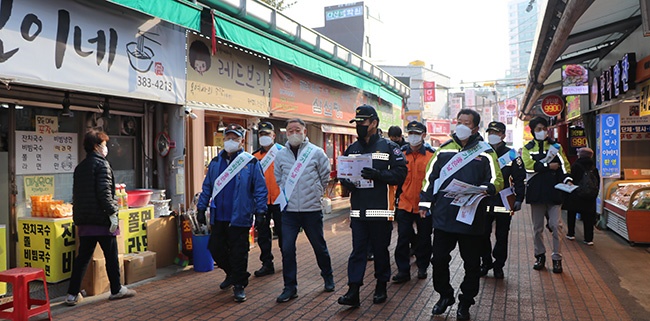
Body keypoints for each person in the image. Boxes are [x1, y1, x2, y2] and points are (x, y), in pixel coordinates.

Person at [419, 109, 503, 321]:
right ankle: (445, 295)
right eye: (459, 121)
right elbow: (430, 178)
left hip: (471, 216)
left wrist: (487, 188)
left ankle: (466, 301)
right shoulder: (444, 150)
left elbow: (497, 180)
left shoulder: (486, 152)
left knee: (471, 264)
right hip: (444, 216)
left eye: (467, 122)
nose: (462, 125)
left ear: (475, 127)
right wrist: (425, 203)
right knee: (438, 259)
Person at [338, 105, 407, 307]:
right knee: (357, 251)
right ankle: (353, 291)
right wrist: (346, 182)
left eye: (363, 122)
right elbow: (344, 174)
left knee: (380, 250)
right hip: (358, 211)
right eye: (357, 122)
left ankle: (381, 286)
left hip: (380, 210)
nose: (359, 126)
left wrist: (378, 175)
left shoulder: (389, 147)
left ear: (374, 123)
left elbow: (401, 173)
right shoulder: (352, 148)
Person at [196, 124, 268, 302]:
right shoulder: (215, 162)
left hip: (240, 215)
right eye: (228, 137)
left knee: (238, 252)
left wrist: (261, 212)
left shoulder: (250, 162)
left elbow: (260, 189)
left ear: (241, 141)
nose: (230, 141)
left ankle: (239, 284)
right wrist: (201, 207)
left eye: (234, 138)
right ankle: (232, 274)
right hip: (218, 215)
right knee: (215, 248)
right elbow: (207, 187)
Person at [65, 129, 136, 306]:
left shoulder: (80, 167)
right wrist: (112, 213)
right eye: (104, 145)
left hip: (85, 222)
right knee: (111, 257)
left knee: (82, 259)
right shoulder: (102, 165)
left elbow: (78, 195)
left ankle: (72, 294)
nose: (106, 148)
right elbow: (104, 194)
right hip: (102, 221)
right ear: (97, 146)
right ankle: (116, 289)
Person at [274, 118, 334, 303]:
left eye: (297, 130)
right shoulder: (281, 155)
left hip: (311, 209)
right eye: (290, 130)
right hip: (289, 211)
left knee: (319, 246)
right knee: (287, 249)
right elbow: (279, 178)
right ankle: (290, 287)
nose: (293, 133)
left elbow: (325, 176)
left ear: (304, 131)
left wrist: (315, 193)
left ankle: (328, 277)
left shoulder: (316, 152)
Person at [522, 116, 572, 274]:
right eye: (538, 129)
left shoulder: (556, 147)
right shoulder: (527, 148)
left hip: (554, 192)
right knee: (537, 228)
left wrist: (568, 179)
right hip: (536, 192)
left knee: (556, 226)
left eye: (544, 128)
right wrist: (547, 166)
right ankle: (540, 256)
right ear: (532, 131)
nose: (542, 131)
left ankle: (557, 258)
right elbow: (528, 167)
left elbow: (564, 165)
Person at [479, 121, 526, 279]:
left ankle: (498, 265)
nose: (493, 135)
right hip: (484, 199)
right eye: (490, 132)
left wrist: (519, 198)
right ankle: (485, 262)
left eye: (496, 133)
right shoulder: (482, 152)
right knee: (482, 234)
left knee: (502, 235)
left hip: (504, 201)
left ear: (503, 135)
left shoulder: (512, 155)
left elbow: (520, 178)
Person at [392, 121, 435, 284]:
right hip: (404, 203)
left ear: (423, 136)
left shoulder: (432, 155)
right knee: (403, 237)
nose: (413, 137)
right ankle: (403, 270)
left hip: (425, 206)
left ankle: (422, 267)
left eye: (416, 134)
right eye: (410, 133)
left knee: (424, 238)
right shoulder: (400, 154)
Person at [252, 122, 283, 277]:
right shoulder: (254, 157)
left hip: (280, 200)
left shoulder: (283, 153)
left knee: (284, 234)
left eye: (267, 134)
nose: (264, 137)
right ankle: (267, 263)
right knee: (263, 235)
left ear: (274, 136)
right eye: (261, 134)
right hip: (262, 202)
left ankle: (288, 260)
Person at [564, 147, 599, 246]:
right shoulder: (594, 168)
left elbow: (571, 179)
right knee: (589, 218)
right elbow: (597, 183)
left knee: (572, 214)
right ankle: (589, 239)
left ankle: (571, 234)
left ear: (580, 155)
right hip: (590, 197)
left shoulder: (575, 166)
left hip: (576, 194)